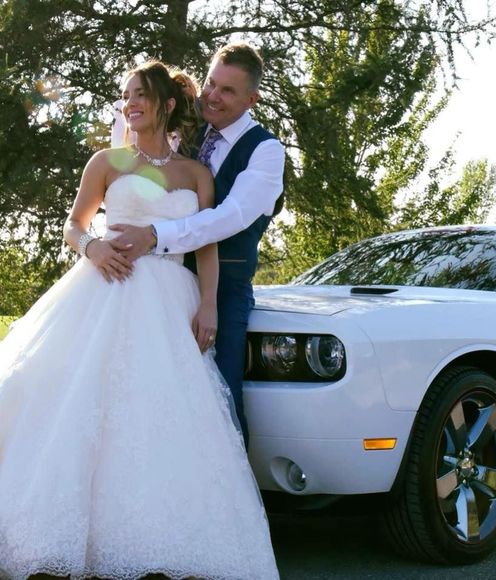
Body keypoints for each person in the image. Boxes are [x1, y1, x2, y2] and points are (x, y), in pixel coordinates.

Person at [0, 60, 279, 580]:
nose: (130, 104)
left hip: (171, 299)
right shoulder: (107, 161)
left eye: (141, 95)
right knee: (84, 400)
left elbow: (209, 238)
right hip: (107, 288)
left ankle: (162, 537)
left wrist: (209, 303)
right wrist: (93, 248)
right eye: (126, 95)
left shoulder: (196, 173)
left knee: (163, 411)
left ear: (166, 104)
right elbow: (75, 224)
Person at [109, 43, 285, 447]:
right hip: (157, 286)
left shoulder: (265, 151)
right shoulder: (184, 130)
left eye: (228, 91)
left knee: (220, 397)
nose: (212, 96)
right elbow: (134, 160)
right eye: (210, 83)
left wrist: (155, 235)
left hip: (221, 293)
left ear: (252, 99)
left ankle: (233, 484)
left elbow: (228, 218)